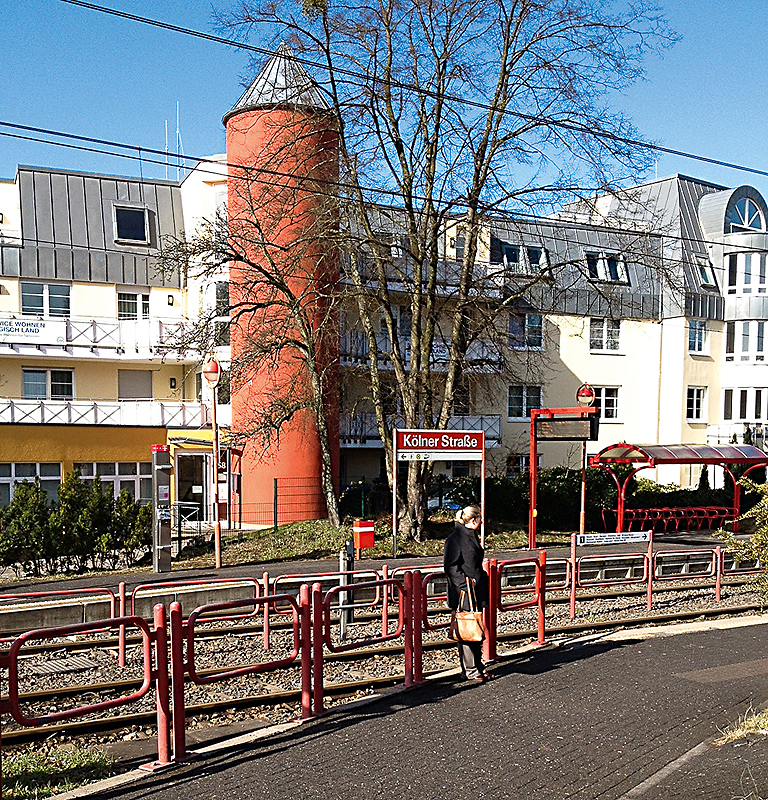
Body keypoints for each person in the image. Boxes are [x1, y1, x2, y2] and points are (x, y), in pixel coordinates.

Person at [443, 504, 491, 682]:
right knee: (467, 629)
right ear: (473, 520)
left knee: (474, 628)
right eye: (480, 518)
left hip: (474, 590)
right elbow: (450, 566)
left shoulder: (469, 536)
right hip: (464, 592)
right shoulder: (456, 538)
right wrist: (465, 584)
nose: (482, 522)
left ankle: (476, 667)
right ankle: (471, 670)